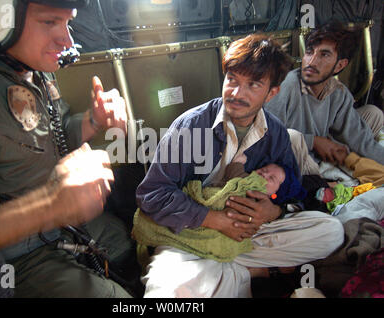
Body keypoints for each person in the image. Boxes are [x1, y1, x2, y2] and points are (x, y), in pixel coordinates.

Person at [0, 0, 134, 298]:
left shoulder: (28, 68)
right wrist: (48, 205)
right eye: (50, 22)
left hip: (57, 226)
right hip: (12, 255)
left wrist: (93, 120)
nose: (66, 39)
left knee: (123, 241)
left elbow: (50, 131)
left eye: (68, 22)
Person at [135, 34, 344, 298]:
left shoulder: (276, 133)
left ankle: (223, 268)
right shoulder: (190, 126)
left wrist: (274, 209)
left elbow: (292, 190)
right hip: (190, 236)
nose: (236, 93)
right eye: (232, 79)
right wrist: (214, 220)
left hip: (247, 232)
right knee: (168, 294)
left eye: (253, 85)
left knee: (330, 231)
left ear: (272, 93)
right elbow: (152, 194)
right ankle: (244, 271)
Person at [265, 21, 384, 175]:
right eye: (309, 52)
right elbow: (267, 137)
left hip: (320, 149)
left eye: (324, 55)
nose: (311, 62)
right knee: (293, 138)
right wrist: (313, 141)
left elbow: (362, 141)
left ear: (340, 65)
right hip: (293, 155)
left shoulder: (338, 93)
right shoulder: (287, 85)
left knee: (373, 113)